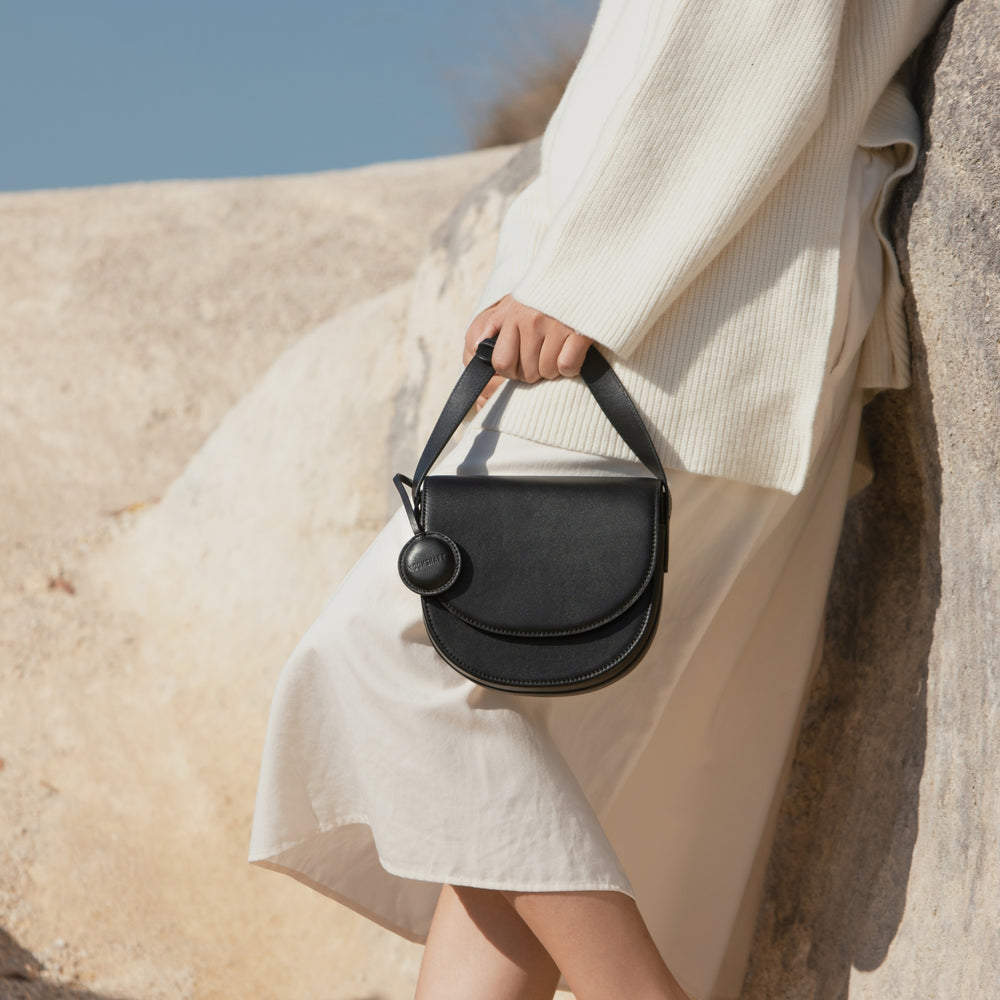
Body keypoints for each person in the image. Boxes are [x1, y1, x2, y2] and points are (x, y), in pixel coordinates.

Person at [249, 1, 949, 997]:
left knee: (396, 653)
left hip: (677, 319)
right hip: (723, 304)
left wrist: (585, 279)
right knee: (533, 774)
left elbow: (740, 36)